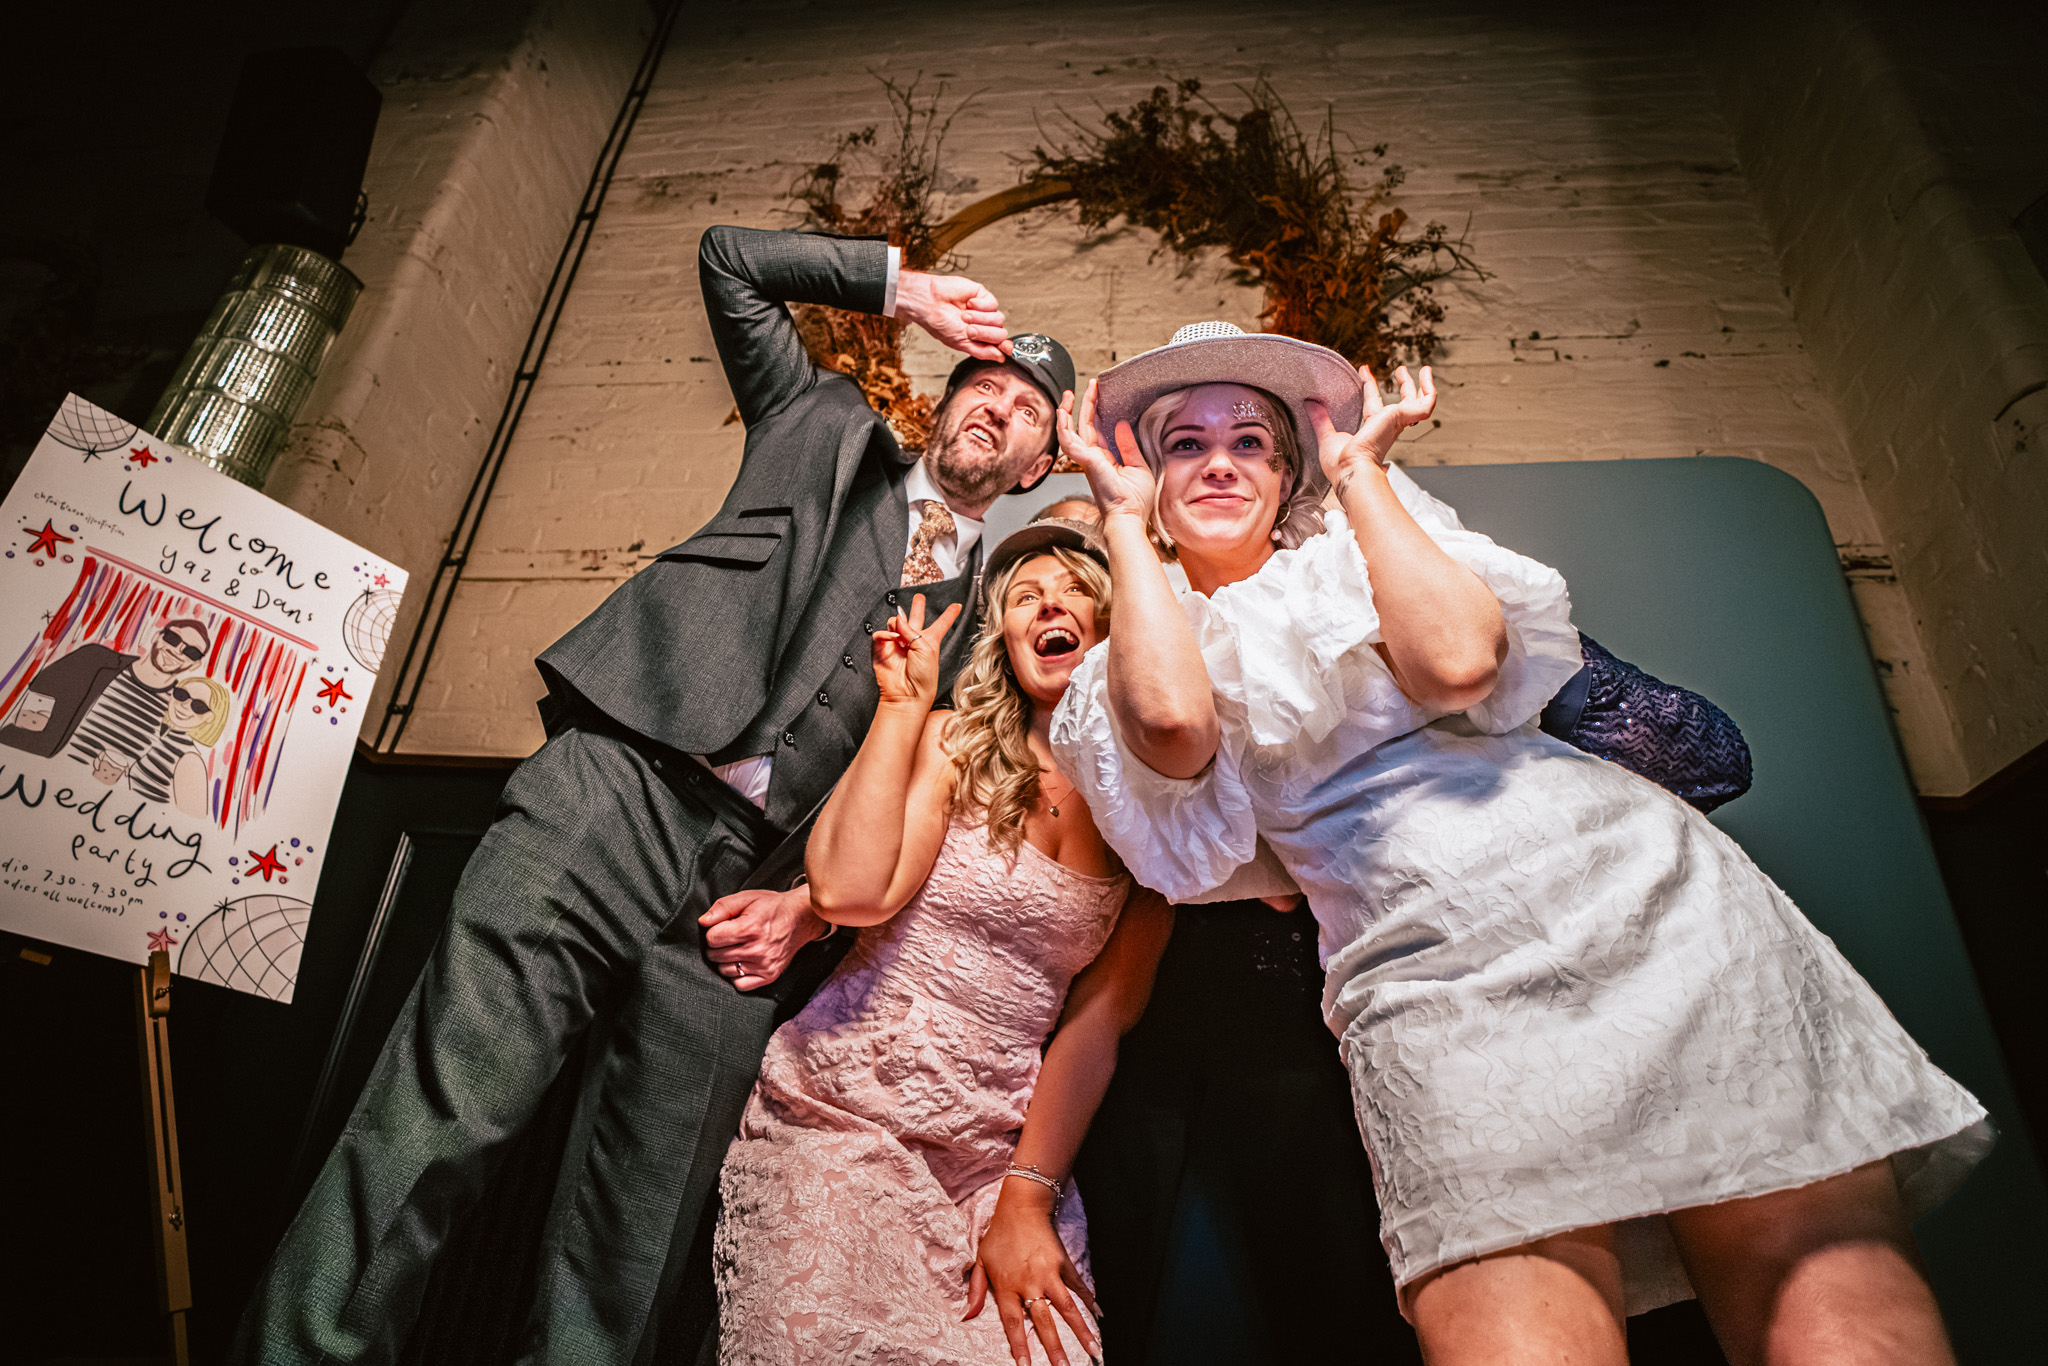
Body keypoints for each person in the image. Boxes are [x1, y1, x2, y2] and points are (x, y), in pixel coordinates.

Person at [1035, 321, 1990, 1365]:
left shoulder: (1370, 538)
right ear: (1143, 469)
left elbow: (1453, 661)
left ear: (1287, 466)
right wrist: (1122, 531)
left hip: (1653, 905)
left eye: (1251, 439)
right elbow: (1173, 731)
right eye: (1182, 441)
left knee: (1837, 1329)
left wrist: (1356, 472)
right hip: (1426, 980)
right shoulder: (1123, 654)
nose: (1218, 457)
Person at [232, 225, 1076, 1366]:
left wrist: (812, 912)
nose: (997, 405)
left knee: (636, 1238)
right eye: (984, 380)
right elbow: (728, 260)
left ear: (1037, 466)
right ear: (943, 390)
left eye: (1028, 410)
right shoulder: (820, 431)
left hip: (753, 899)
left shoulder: (993, 627)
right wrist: (903, 288)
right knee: (435, 1122)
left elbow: (919, 808)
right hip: (614, 792)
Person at [715, 519, 1172, 1365]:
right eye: (1027, 597)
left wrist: (1026, 1202)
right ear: (1004, 633)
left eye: (1075, 592)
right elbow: (850, 893)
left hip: (996, 1157)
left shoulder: (1156, 820)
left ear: (1119, 630)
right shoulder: (952, 742)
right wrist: (900, 707)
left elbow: (1095, 1027)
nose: (1049, 606)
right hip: (844, 1112)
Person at [0, 618, 211, 760]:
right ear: (157, 636)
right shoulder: (94, 659)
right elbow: (38, 695)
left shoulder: (180, 707)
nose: (176, 651)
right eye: (173, 639)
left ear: (195, 665)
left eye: (191, 652)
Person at [85, 673, 230, 816]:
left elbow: (190, 819)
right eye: (181, 695)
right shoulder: (157, 736)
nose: (184, 705)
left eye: (198, 706)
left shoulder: (190, 759)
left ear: (209, 717)